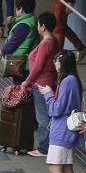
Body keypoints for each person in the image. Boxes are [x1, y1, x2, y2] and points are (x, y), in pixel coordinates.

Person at [43, 52, 84, 173]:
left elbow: (56, 109)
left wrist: (48, 94)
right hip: (68, 131)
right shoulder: (73, 80)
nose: (55, 63)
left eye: (57, 60)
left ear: (64, 63)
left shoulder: (67, 81)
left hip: (61, 131)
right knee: (66, 167)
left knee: (54, 167)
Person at [25, 12, 59, 156]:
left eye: (38, 24)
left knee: (43, 116)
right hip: (50, 81)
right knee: (48, 114)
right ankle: (51, 144)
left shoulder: (46, 43)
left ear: (43, 26)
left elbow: (38, 66)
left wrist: (27, 82)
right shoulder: (53, 41)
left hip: (41, 83)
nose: (37, 26)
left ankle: (44, 148)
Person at [0, 0, 38, 81]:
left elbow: (13, 43)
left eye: (16, 8)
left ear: (21, 9)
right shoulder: (33, 20)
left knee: (18, 86)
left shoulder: (24, 25)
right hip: (27, 61)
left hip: (20, 62)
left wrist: (2, 51)